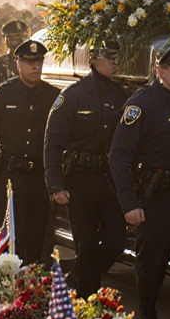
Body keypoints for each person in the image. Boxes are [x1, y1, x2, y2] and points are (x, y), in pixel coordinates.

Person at [109, 45, 170, 319]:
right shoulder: (143, 104)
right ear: (158, 71)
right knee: (151, 269)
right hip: (156, 201)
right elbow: (119, 156)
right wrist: (128, 204)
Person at [43, 40, 129, 297]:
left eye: (116, 56)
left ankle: (79, 273)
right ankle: (88, 300)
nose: (115, 61)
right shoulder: (72, 95)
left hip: (108, 179)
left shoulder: (119, 95)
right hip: (80, 181)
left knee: (116, 240)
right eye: (109, 56)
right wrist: (55, 184)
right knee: (87, 243)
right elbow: (53, 142)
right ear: (94, 59)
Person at [0, 40, 61, 265]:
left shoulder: (54, 97)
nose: (35, 67)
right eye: (29, 62)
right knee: (11, 237)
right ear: (17, 63)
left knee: (38, 237)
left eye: (39, 62)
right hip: (10, 177)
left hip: (40, 177)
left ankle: (32, 288)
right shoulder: (2, 94)